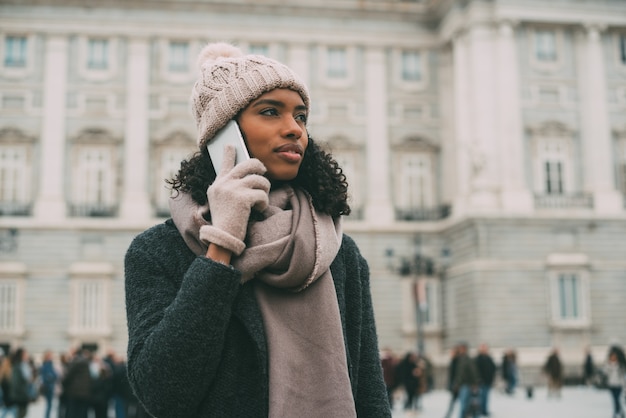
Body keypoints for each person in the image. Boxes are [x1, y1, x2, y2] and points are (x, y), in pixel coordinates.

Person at [124, 42, 391, 418]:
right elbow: (164, 393)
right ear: (223, 134)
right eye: (270, 112)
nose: (294, 129)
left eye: (301, 117)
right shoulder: (158, 250)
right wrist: (222, 245)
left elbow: (369, 395)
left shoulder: (339, 252)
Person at [453, 342, 480, 418]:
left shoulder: (467, 359)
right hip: (461, 384)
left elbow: (473, 372)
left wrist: (475, 383)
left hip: (466, 384)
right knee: (463, 403)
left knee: (465, 404)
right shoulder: (459, 359)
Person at [474, 343, 496, 417]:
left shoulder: (489, 358)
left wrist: (491, 378)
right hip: (480, 382)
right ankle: (479, 411)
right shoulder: (477, 358)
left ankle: (484, 410)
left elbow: (493, 368)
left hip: (487, 381)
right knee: (480, 397)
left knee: (486, 397)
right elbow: (475, 370)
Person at [604, 346, 626, 418]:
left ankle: (615, 413)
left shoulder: (620, 366)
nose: (613, 358)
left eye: (614, 357)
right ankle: (621, 412)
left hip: (618, 385)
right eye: (612, 357)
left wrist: (624, 386)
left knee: (617, 399)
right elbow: (606, 374)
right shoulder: (608, 365)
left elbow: (622, 377)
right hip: (611, 385)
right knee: (615, 400)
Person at [39, 350, 58, 418]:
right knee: (49, 404)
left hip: (49, 386)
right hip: (48, 387)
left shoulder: (48, 364)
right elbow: (50, 375)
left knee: (50, 404)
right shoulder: (46, 365)